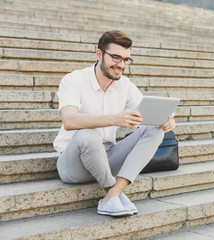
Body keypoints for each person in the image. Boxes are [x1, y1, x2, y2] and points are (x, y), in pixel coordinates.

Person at [53, 30, 176, 217]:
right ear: (99, 54)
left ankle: (113, 194)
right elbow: (70, 120)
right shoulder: (73, 80)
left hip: (108, 157)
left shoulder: (125, 85)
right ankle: (113, 192)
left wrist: (166, 120)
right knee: (88, 133)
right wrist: (116, 118)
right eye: (116, 57)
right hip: (74, 164)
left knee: (155, 131)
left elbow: (147, 112)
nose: (121, 65)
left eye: (126, 60)